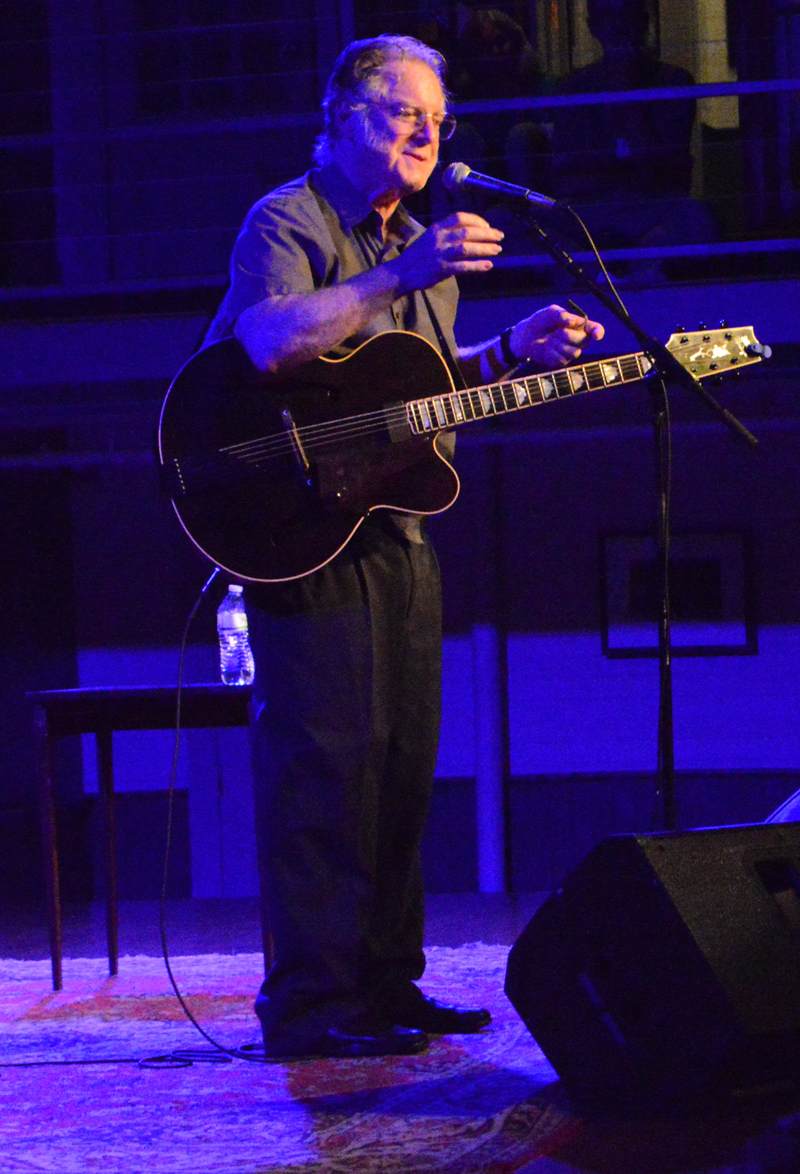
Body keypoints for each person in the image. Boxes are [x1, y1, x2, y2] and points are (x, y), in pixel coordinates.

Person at [204, 33, 604, 1060]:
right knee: (321, 768)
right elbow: (268, 339)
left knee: (399, 763)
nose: (428, 132)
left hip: (394, 516)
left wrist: (506, 353)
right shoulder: (285, 219)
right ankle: (308, 1004)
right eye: (402, 113)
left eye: (438, 119)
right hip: (292, 520)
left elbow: (412, 381)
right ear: (339, 118)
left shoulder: (418, 239)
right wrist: (408, 271)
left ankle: (385, 984)